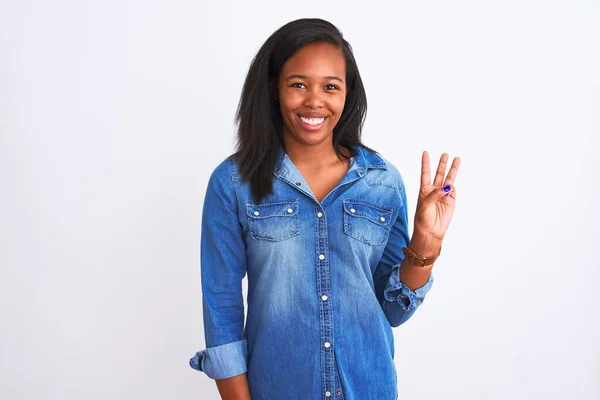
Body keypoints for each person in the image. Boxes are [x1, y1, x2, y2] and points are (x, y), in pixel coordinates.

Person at [189, 18, 461, 400]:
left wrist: (426, 245)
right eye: (298, 84)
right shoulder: (234, 183)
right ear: (273, 89)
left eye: (330, 87)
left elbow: (394, 310)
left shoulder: (382, 182)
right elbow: (221, 306)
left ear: (347, 94)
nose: (315, 100)